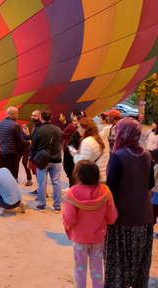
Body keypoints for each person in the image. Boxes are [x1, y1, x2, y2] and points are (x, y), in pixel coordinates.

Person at [104, 117, 154, 288]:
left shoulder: (118, 156)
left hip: (122, 220)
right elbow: (150, 184)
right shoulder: (147, 154)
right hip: (144, 217)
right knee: (139, 263)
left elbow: (110, 189)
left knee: (119, 265)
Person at [63, 160, 117, 288]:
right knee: (97, 269)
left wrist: (69, 227)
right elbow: (112, 217)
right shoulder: (105, 191)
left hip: (80, 239)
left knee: (79, 270)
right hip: (98, 238)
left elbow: (69, 218)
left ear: (78, 175)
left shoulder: (72, 193)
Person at [31, 109, 63, 213]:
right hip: (57, 159)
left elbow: (33, 146)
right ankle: (57, 207)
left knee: (42, 183)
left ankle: (42, 205)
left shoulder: (39, 130)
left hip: (43, 160)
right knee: (56, 183)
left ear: (41, 118)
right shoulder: (58, 129)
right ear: (51, 117)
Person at [0, 107, 29, 180]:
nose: (18, 115)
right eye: (17, 113)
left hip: (2, 152)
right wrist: (28, 142)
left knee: (3, 172)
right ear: (14, 114)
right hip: (12, 153)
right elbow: (20, 141)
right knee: (12, 174)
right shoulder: (16, 125)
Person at [70, 118, 109, 184]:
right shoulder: (99, 139)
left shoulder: (87, 141)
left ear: (85, 129)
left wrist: (75, 155)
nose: (78, 130)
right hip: (102, 174)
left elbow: (82, 164)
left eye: (79, 127)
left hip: (93, 177)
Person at [62, 110, 85, 186]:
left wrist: (73, 152)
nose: (73, 123)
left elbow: (64, 135)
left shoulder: (79, 134)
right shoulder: (77, 132)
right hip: (71, 158)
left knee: (72, 174)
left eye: (75, 121)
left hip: (72, 159)